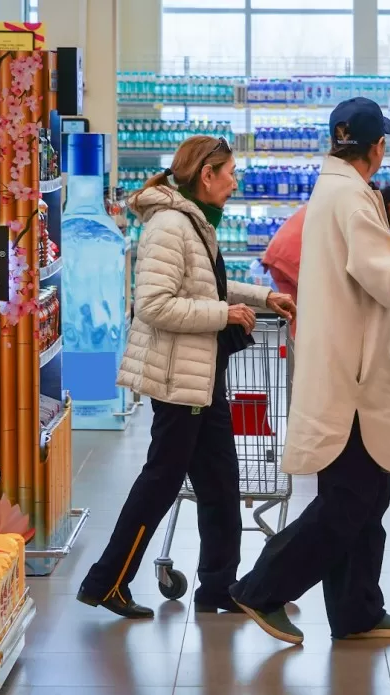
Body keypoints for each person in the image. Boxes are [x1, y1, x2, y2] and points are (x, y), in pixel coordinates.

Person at [229, 98, 390, 644]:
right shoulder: (353, 197)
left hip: (341, 363)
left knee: (367, 495)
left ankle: (357, 611)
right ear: (377, 148)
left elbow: (370, 271)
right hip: (351, 375)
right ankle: (260, 588)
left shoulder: (337, 191)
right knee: (352, 498)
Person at [78, 135, 296, 619]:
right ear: (206, 175)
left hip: (202, 375)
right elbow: (154, 305)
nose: (235, 182)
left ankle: (219, 586)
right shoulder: (171, 226)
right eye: (230, 173)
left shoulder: (193, 222)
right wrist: (223, 314)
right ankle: (106, 581)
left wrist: (261, 298)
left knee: (220, 483)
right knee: (160, 481)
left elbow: (206, 285)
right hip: (180, 380)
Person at [261, 185, 390, 302]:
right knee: (323, 310)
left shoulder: (362, 198)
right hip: (294, 255)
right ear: (389, 207)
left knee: (303, 318)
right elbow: (369, 260)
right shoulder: (367, 210)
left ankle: (309, 351)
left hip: (282, 252)